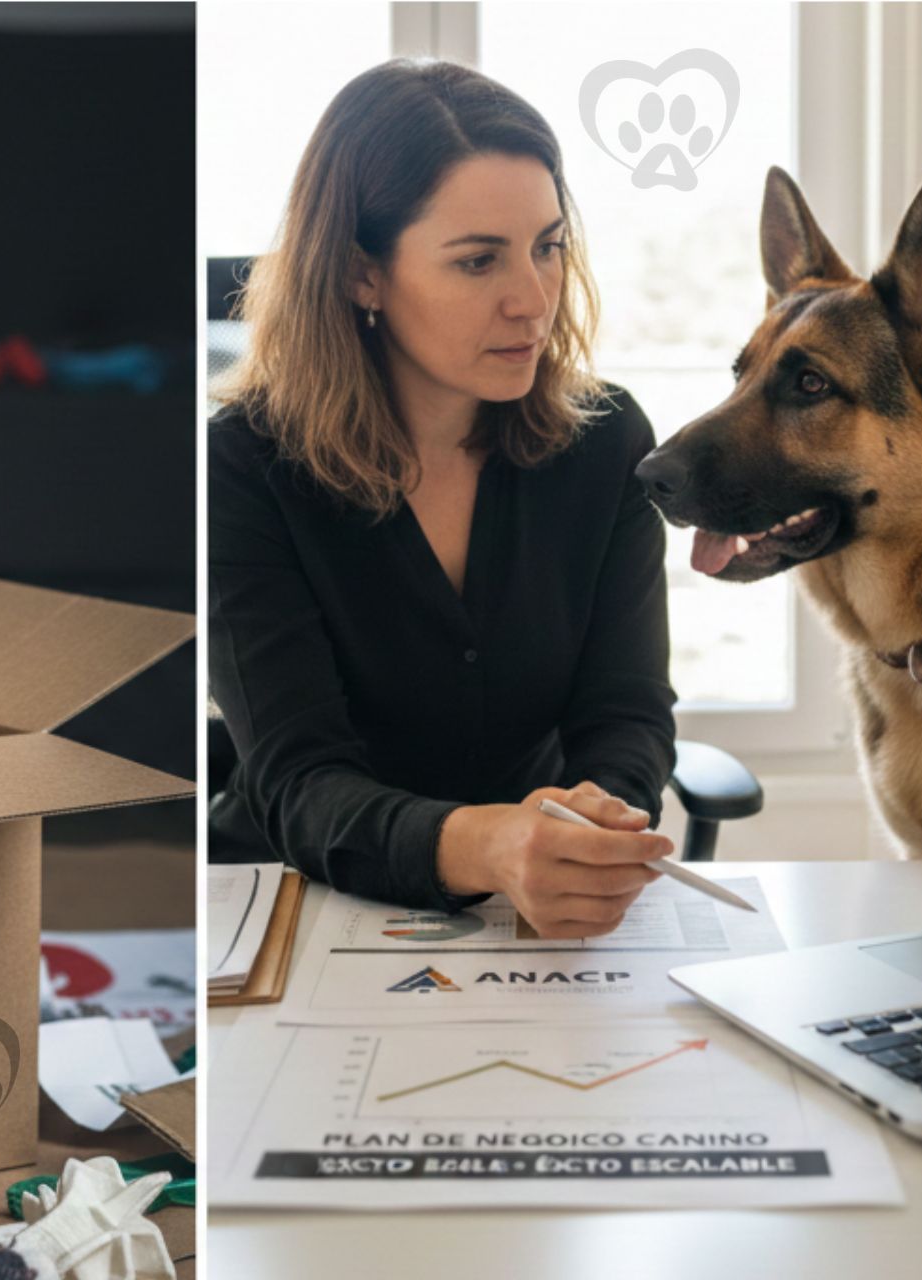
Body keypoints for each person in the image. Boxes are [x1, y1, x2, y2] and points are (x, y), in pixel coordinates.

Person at [209, 59, 678, 938]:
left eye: (548, 246)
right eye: (477, 262)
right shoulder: (243, 466)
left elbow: (627, 712)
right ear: (361, 275)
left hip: (531, 911)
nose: (533, 302)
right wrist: (488, 846)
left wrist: (598, 829)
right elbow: (298, 781)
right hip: (296, 904)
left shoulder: (609, 440)